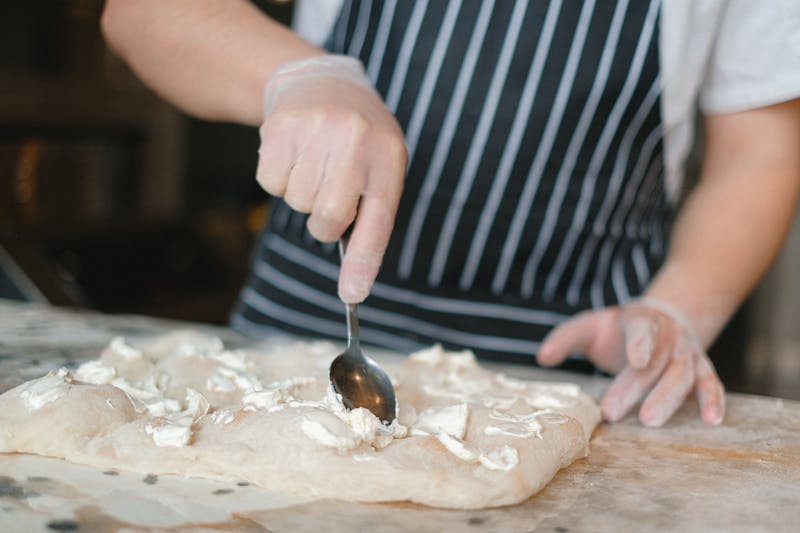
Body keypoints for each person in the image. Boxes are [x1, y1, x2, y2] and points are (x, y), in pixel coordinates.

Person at [100, 0, 800, 428]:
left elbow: (761, 150)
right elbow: (145, 11)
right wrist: (296, 74)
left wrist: (678, 309)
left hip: (575, 376)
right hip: (301, 350)